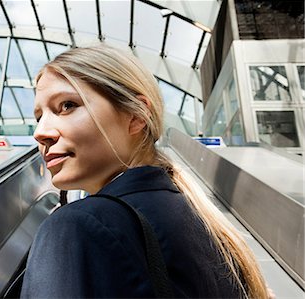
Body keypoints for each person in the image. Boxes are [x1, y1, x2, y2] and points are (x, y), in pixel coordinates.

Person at [21, 45, 269, 298]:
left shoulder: (77, 227)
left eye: (67, 105)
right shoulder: (209, 230)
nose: (40, 132)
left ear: (136, 116)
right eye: (38, 117)